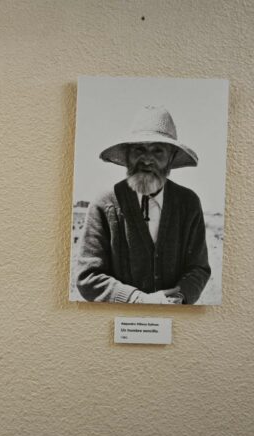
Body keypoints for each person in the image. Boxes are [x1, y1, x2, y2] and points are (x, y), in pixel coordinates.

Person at [76, 106, 210, 304]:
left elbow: (198, 268)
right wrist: (137, 300)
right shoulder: (104, 204)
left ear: (171, 158)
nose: (147, 159)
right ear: (128, 155)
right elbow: (88, 277)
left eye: (158, 150)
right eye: (139, 149)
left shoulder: (188, 203)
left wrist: (179, 296)